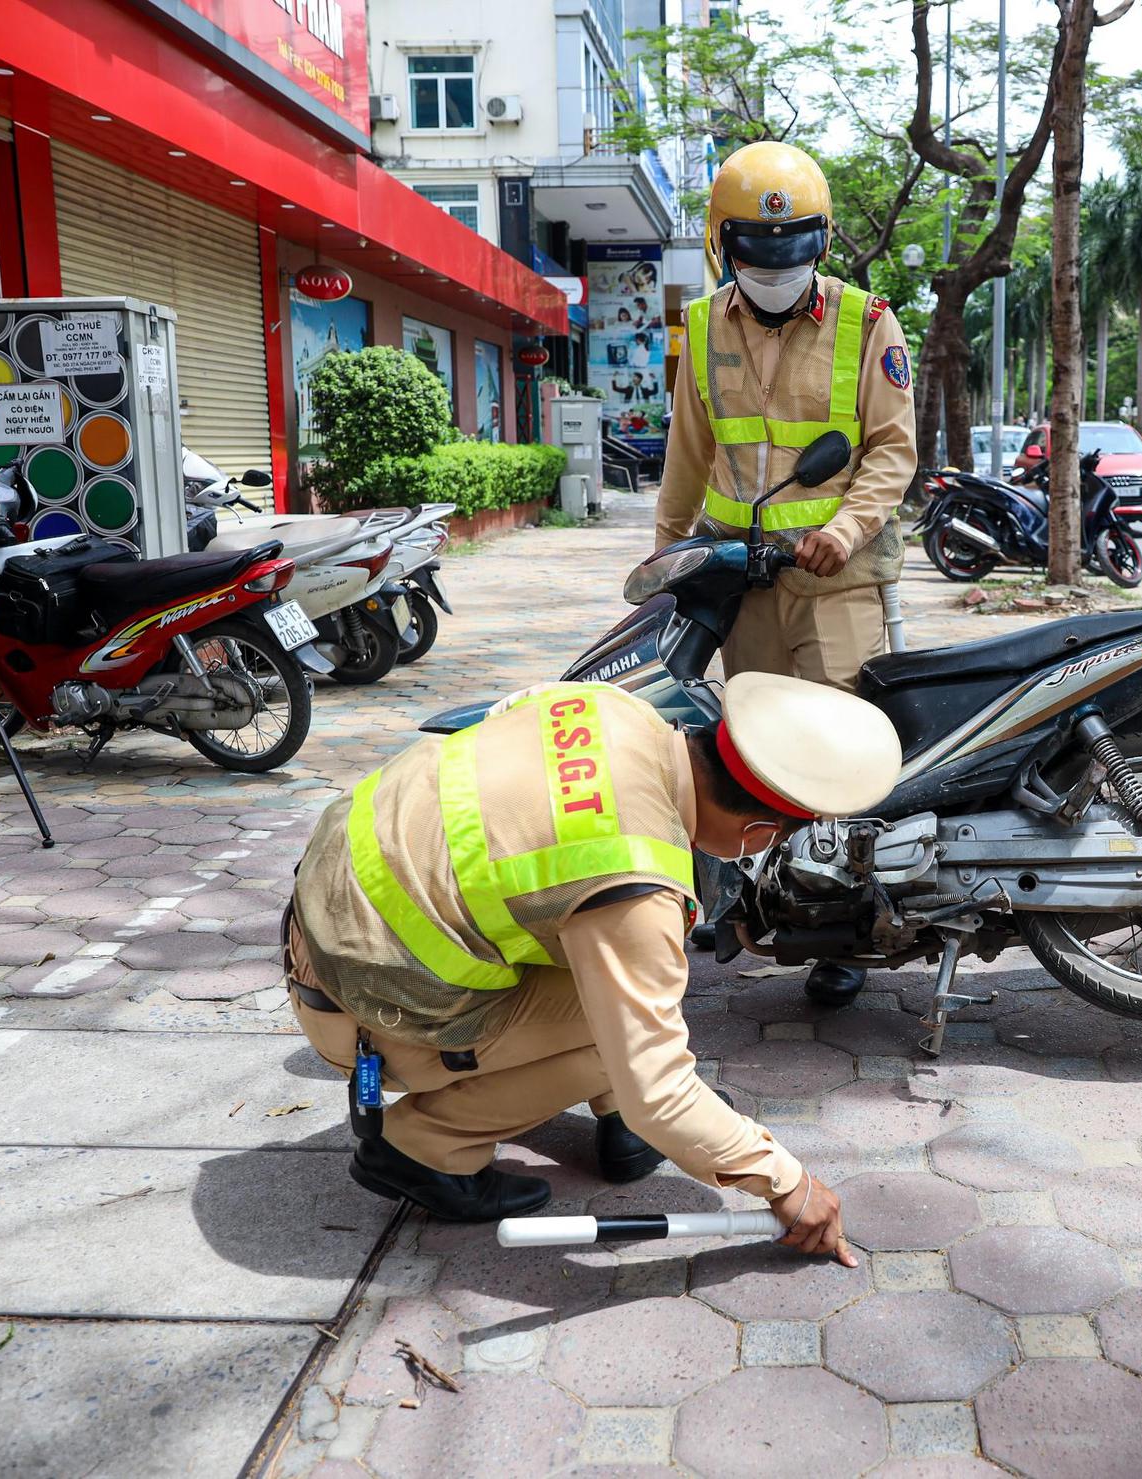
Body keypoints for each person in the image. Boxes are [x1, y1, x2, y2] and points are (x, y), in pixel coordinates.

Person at [284, 672, 902, 1266]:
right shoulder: (633, 877)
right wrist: (787, 1184)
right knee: (626, 1039)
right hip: (365, 1009)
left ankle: (619, 1122)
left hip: (330, 926)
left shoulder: (612, 706)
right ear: (758, 831)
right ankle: (424, 1149)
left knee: (621, 980)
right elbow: (658, 1088)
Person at [655, 139, 918, 1008]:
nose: (779, 269)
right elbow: (686, 462)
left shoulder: (867, 321)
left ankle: (848, 931)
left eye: (796, 250)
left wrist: (845, 527)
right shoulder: (697, 329)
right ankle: (766, 905)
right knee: (755, 755)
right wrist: (663, 561)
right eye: (759, 254)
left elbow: (891, 448)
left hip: (838, 583)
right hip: (745, 581)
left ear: (824, 242)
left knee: (843, 757)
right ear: (722, 245)